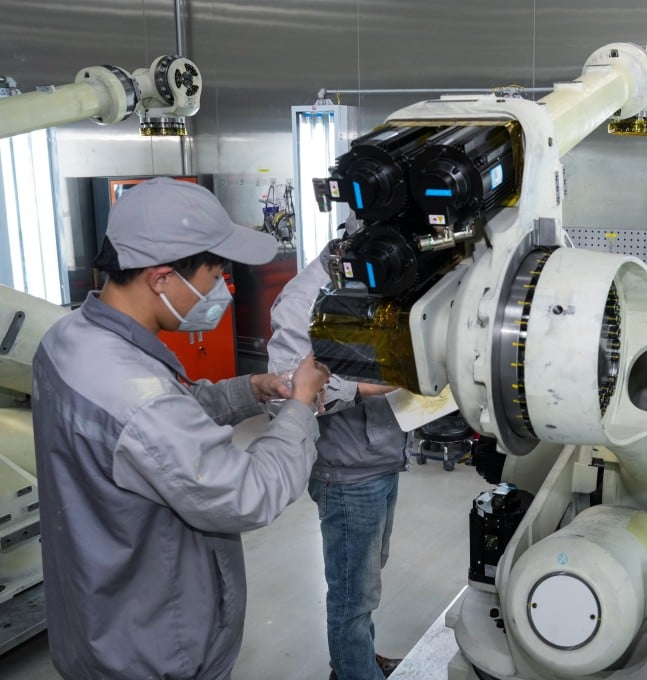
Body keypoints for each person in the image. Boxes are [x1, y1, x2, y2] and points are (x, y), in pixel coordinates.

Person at [32, 177, 331, 679]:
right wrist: (301, 405)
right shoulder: (135, 397)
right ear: (162, 278)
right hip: (153, 651)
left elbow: (163, 419)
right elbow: (248, 494)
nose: (219, 290)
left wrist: (250, 388)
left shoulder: (67, 340)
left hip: (97, 618)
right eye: (214, 275)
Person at [268, 238, 409, 680]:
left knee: (365, 580)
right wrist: (381, 381)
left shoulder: (375, 281)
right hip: (347, 471)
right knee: (353, 592)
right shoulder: (301, 301)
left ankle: (356, 660)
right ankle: (354, 674)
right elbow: (290, 392)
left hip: (383, 454)